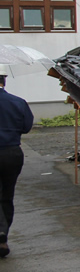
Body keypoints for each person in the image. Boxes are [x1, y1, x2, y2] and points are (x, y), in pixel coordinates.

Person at [0, 64, 33, 258]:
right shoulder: (18, 102)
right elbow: (26, 126)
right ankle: (3, 235)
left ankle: (1, 233)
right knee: (7, 193)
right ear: (4, 81)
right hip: (12, 153)